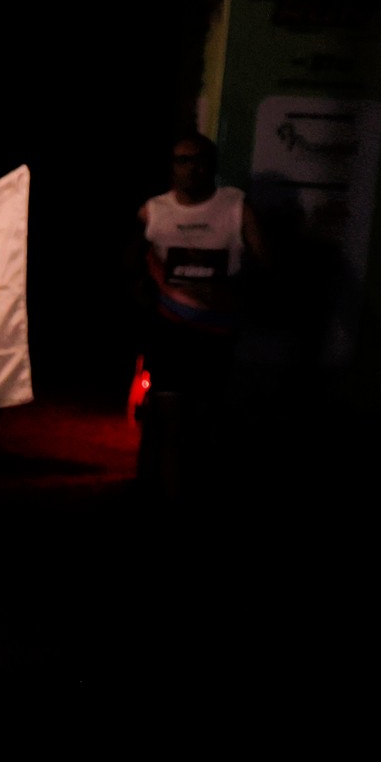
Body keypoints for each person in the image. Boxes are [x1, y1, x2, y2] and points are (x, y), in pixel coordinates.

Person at [135, 131, 265, 498]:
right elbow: (128, 262)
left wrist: (232, 289)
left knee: (207, 423)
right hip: (170, 329)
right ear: (172, 167)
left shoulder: (234, 206)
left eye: (199, 160)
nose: (191, 169)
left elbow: (267, 264)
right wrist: (148, 289)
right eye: (183, 160)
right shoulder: (154, 210)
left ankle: (202, 498)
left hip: (217, 333)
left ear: (212, 165)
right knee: (171, 423)